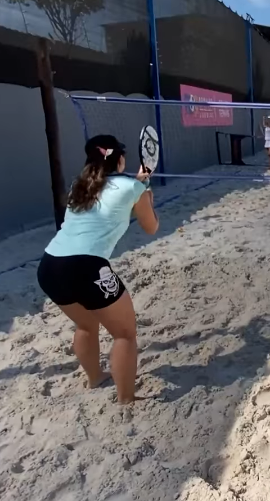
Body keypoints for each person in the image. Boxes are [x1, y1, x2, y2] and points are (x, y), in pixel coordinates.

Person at [36, 135, 159, 405]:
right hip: (86, 267)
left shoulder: (79, 186)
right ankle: (126, 398)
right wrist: (146, 191)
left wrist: (139, 185)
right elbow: (151, 228)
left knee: (86, 324)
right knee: (125, 334)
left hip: (49, 266)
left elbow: (114, 191)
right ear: (121, 160)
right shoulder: (131, 187)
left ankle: (95, 378)